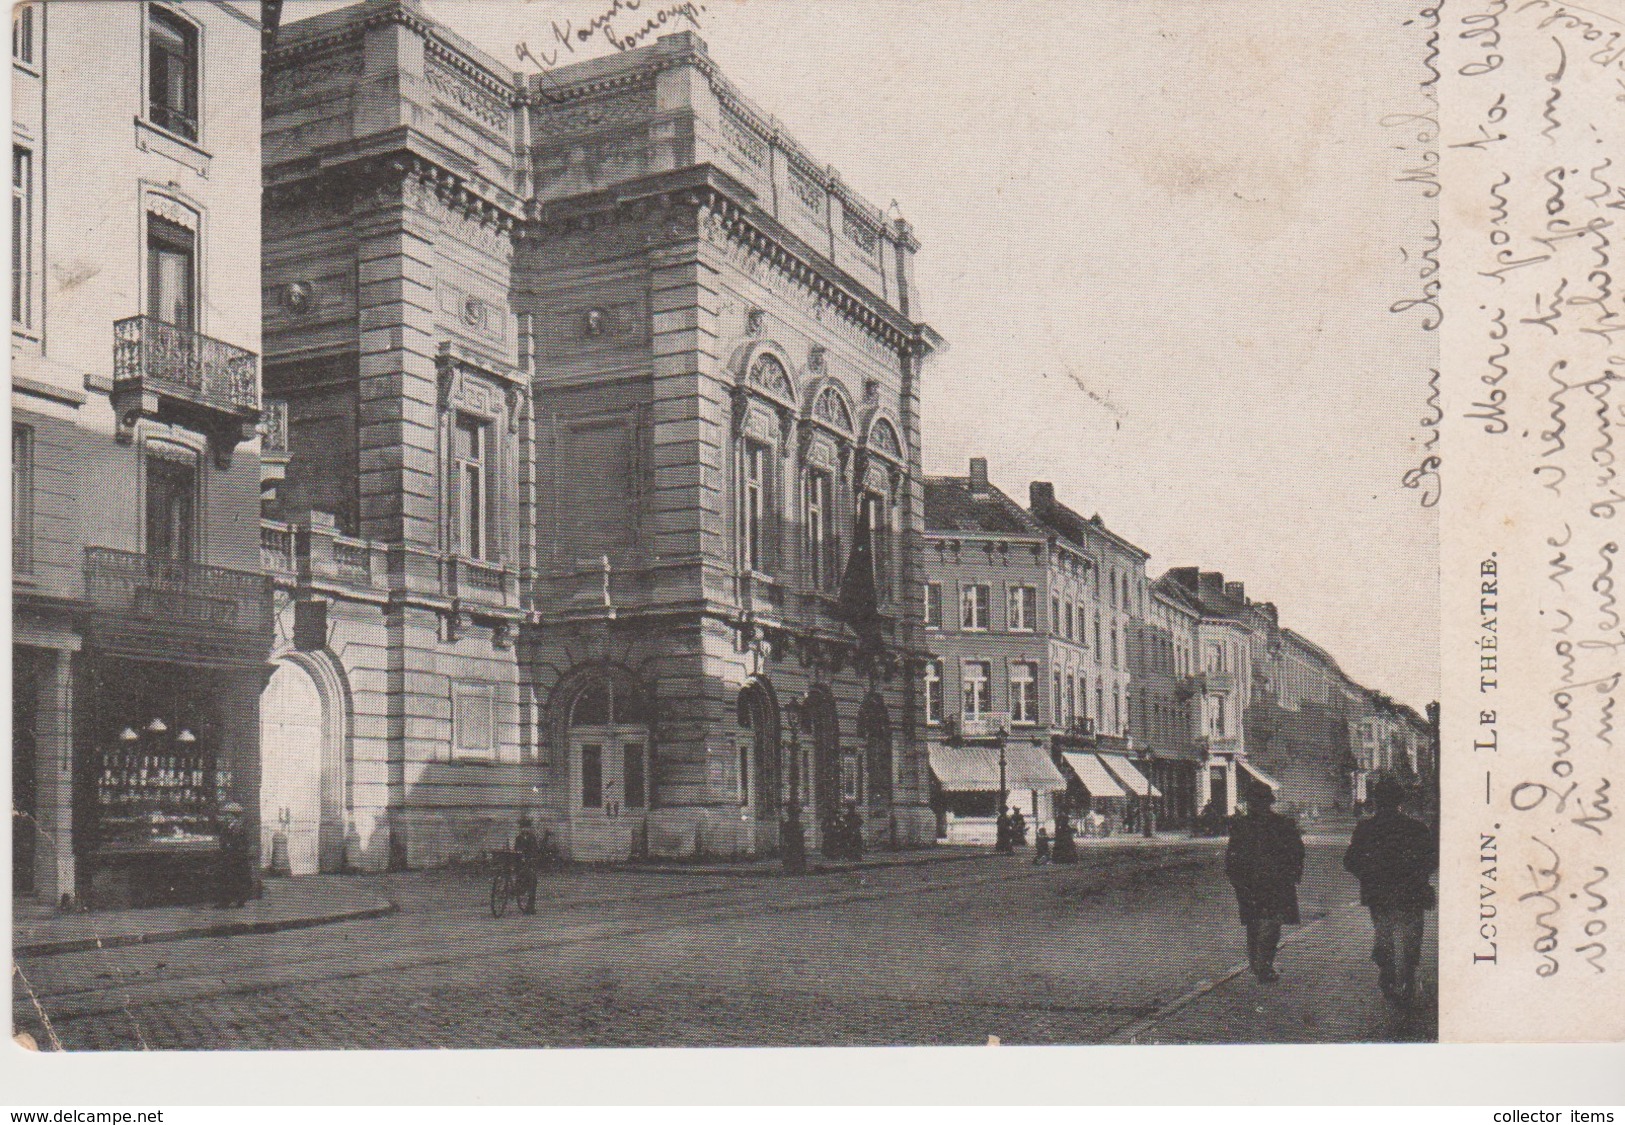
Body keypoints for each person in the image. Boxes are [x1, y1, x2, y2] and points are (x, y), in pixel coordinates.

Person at [1343, 777, 1438, 1005]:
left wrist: (1368, 876)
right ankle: (1408, 978)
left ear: (1376, 801)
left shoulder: (1366, 828)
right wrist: (1420, 877)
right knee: (1412, 936)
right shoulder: (1416, 828)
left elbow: (1350, 861)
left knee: (1383, 931)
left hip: (1379, 893)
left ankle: (1387, 973)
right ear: (1401, 800)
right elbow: (1432, 859)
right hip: (1411, 892)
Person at [1224, 786, 1304, 982]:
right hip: (1258, 884)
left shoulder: (1281, 824)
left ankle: (1261, 965)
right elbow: (1232, 857)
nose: (1255, 806)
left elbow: (1296, 852)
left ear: (1267, 803)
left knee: (1264, 925)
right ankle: (1260, 966)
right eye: (1253, 803)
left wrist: (1291, 875)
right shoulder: (1276, 824)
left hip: (1267, 884)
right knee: (1261, 924)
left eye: (1258, 802)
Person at [215, 802, 252, 908]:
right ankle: (227, 901)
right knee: (228, 879)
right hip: (229, 857)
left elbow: (244, 844)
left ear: (233, 815)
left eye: (227, 814)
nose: (225, 817)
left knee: (237, 879)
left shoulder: (240, 829)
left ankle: (239, 901)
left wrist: (232, 847)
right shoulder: (226, 827)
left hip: (237, 858)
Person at [513, 813, 541, 907]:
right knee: (522, 879)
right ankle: (518, 891)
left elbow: (535, 850)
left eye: (526, 827)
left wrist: (530, 859)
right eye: (522, 828)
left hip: (530, 863)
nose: (524, 829)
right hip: (520, 864)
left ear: (529, 829)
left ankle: (530, 905)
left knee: (533, 881)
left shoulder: (532, 838)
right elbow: (516, 850)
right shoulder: (518, 838)